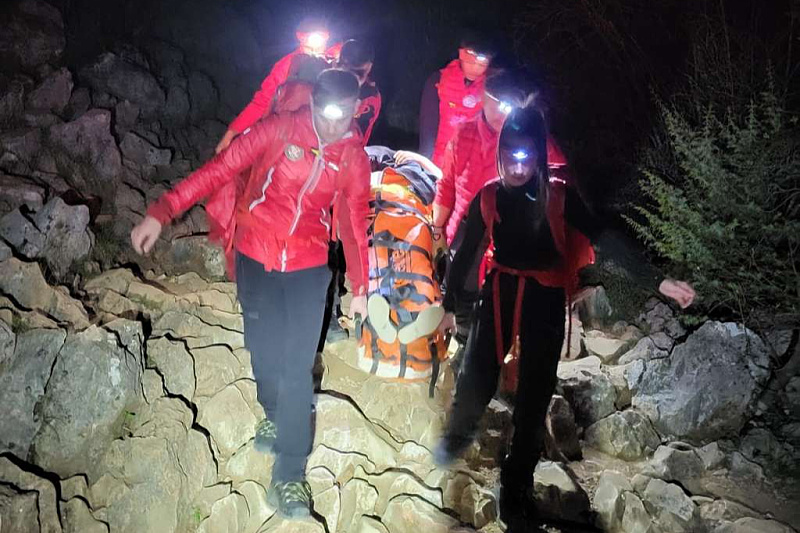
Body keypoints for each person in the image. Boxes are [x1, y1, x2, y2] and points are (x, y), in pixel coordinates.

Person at [433, 106, 696, 529]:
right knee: (476, 374)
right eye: (509, 159)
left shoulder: (558, 197)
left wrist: (656, 280)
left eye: (525, 158)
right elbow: (466, 252)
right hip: (500, 291)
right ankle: (454, 440)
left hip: (545, 298)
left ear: (538, 155)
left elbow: (604, 235)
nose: (517, 168)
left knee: (535, 399)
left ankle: (514, 490)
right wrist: (448, 307)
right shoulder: (489, 196)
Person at [130, 70, 371, 519]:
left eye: (346, 115)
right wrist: (162, 211)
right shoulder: (279, 129)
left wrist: (360, 288)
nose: (335, 126)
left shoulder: (353, 157)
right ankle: (271, 410)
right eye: (328, 114)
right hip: (256, 251)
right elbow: (219, 170)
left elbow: (355, 226)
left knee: (298, 368)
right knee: (262, 349)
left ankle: (290, 475)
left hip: (307, 263)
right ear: (314, 103)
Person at [215, 16, 332, 154]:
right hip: (286, 133)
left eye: (323, 38)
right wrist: (231, 133)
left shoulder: (333, 65)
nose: (319, 44)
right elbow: (261, 102)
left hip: (323, 134)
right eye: (314, 37)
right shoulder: (286, 66)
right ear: (301, 38)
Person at [418, 32, 494, 167]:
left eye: (481, 65)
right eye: (470, 62)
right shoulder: (438, 81)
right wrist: (425, 162)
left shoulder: (491, 87)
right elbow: (428, 128)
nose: (475, 69)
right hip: (439, 161)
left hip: (473, 165)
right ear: (461, 56)